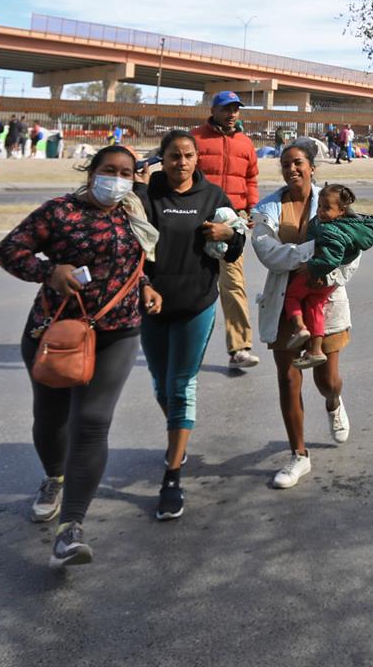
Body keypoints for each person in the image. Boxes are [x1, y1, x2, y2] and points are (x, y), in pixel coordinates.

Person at [0, 143, 159, 568]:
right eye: (110, 170)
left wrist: (146, 288)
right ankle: (54, 478)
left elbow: (134, 264)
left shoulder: (132, 212)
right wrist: (50, 271)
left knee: (92, 421)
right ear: (91, 173)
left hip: (119, 331)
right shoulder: (59, 212)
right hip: (56, 331)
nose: (118, 178)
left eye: (127, 172)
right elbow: (9, 251)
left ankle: (71, 529)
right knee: (51, 418)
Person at [136, 130, 239, 522]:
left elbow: (235, 246)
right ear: (162, 158)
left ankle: (173, 475)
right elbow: (134, 239)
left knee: (181, 386)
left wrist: (229, 234)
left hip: (197, 304)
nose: (181, 163)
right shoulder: (149, 192)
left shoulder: (212, 197)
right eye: (174, 156)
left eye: (188, 156)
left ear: (198, 158)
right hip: (151, 305)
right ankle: (178, 436)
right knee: (161, 385)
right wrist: (140, 189)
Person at [251, 141, 361, 489]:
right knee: (287, 379)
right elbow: (266, 250)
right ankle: (298, 455)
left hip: (325, 299)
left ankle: (333, 402)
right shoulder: (269, 207)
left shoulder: (331, 201)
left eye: (298, 163)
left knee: (326, 380)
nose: (291, 169)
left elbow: (351, 250)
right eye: (285, 164)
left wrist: (322, 271)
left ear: (312, 167)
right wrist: (307, 256)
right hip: (286, 300)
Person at [192, 91, 263, 372]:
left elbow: (251, 179)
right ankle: (189, 347)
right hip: (198, 223)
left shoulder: (245, 143)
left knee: (233, 286)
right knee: (195, 288)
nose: (232, 113)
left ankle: (241, 348)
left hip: (232, 226)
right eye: (226, 109)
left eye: (236, 109)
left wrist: (251, 209)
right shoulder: (196, 138)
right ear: (214, 110)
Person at [279, 182, 373, 369]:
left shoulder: (330, 229)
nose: (320, 211)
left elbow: (333, 258)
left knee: (292, 296)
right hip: (330, 282)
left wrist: (311, 267)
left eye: (326, 208)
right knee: (314, 306)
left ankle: (299, 328)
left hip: (318, 274)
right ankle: (315, 350)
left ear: (341, 211)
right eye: (319, 206)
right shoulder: (347, 227)